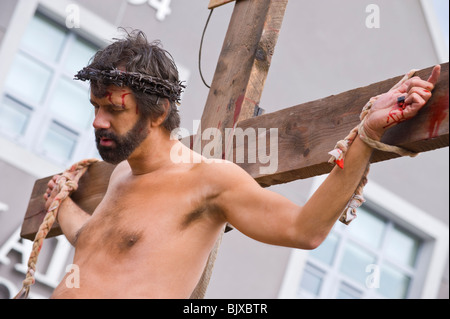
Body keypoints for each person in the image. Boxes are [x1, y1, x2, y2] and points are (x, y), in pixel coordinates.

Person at [44, 30, 441, 298]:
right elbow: (93, 242)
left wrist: (366, 134)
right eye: (95, 107)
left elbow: (303, 229)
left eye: (113, 109)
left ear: (159, 112)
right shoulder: (121, 177)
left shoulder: (208, 181)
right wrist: (61, 204)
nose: (98, 121)